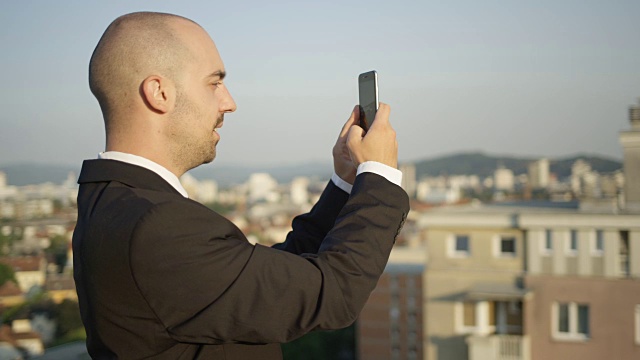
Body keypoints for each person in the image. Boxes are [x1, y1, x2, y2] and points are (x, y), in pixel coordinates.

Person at [72, 11, 409, 360]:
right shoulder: (155, 225)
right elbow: (333, 292)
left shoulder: (111, 204)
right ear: (159, 92)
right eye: (214, 82)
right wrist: (379, 174)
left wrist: (346, 182)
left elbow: (274, 282)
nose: (228, 102)